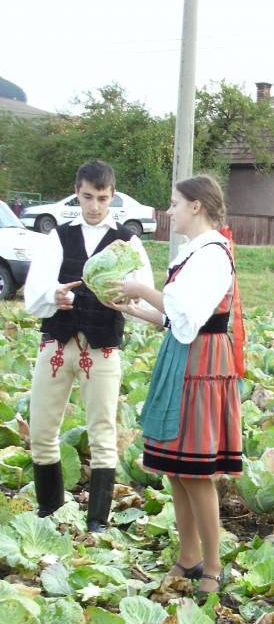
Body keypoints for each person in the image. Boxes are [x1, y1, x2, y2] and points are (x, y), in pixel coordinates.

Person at [113, 176, 245, 596]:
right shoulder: (194, 254)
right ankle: (188, 555)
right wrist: (135, 307)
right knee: (176, 469)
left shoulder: (212, 255)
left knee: (196, 471)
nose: (169, 211)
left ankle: (212, 565)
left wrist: (141, 288)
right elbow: (176, 319)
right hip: (183, 357)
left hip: (203, 364)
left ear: (196, 207)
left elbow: (187, 311)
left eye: (175, 203)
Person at [23, 160, 154, 531]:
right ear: (76, 194)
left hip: (103, 346)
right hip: (57, 344)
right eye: (86, 197)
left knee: (102, 432)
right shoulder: (58, 237)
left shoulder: (129, 242)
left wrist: (125, 302)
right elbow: (35, 293)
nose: (94, 206)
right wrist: (55, 294)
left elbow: (141, 296)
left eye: (101, 198)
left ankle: (97, 522)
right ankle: (49, 511)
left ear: (112, 197)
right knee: (43, 430)